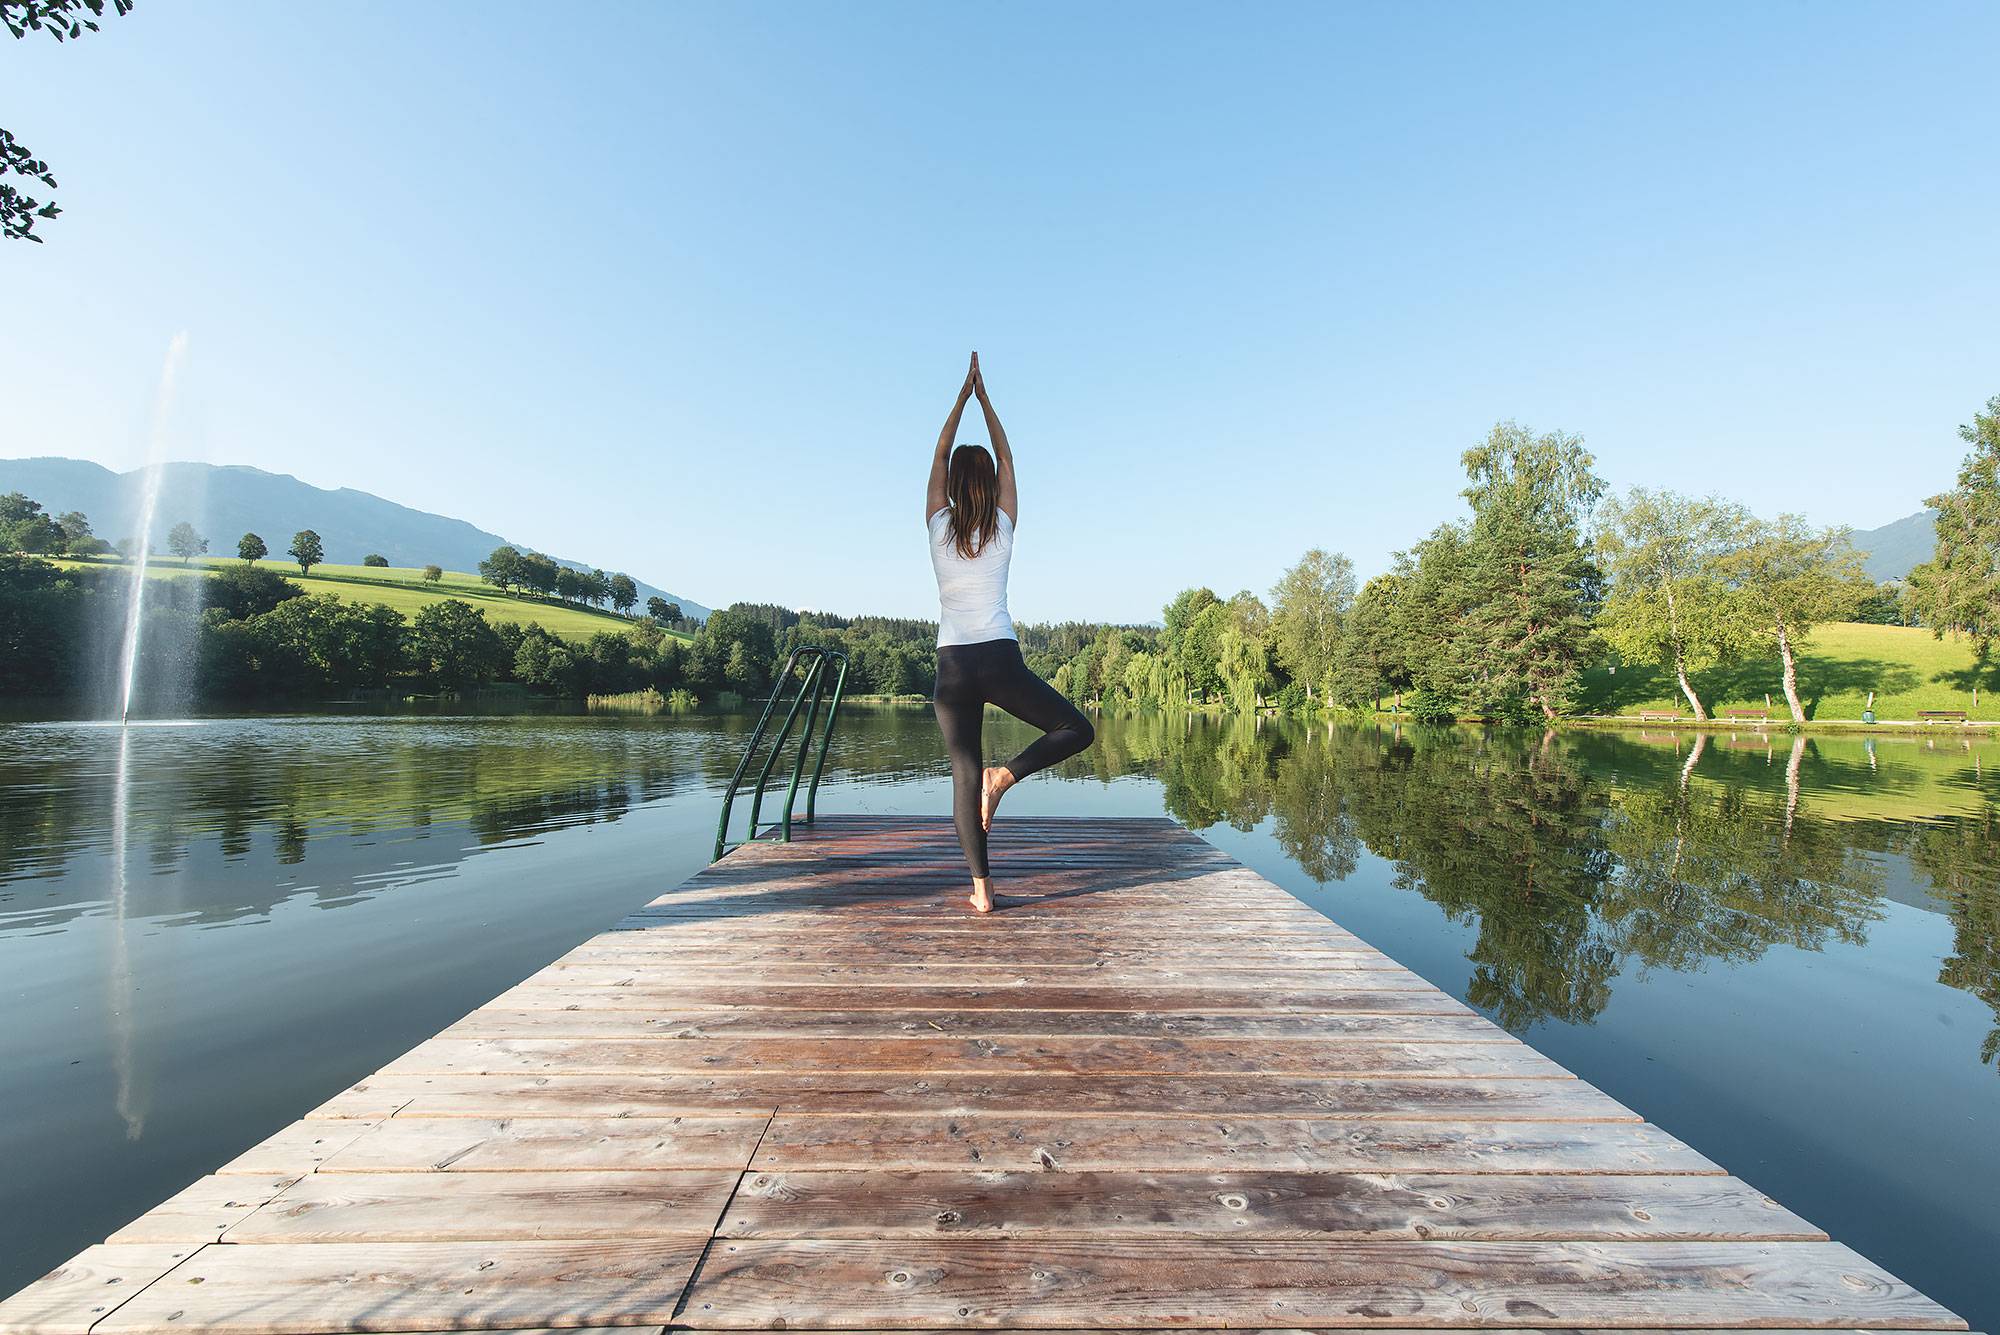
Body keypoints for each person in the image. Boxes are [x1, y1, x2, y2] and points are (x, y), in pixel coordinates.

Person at [926, 352, 1094, 912]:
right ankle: (1009, 777)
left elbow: (940, 452)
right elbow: (1005, 453)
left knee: (962, 777)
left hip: (952, 667)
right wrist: (984, 398)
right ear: (992, 482)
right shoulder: (1002, 522)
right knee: (1076, 728)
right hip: (998, 658)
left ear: (951, 483)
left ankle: (982, 893)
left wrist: (959, 400)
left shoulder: (937, 525)